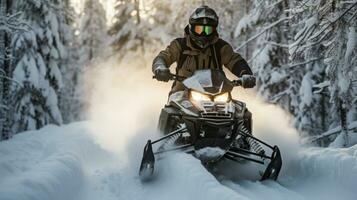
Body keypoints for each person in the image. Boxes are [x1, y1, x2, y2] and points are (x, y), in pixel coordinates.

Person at [152, 5, 256, 97]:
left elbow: (234, 60)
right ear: (191, 28)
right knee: (171, 112)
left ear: (214, 30)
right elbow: (163, 57)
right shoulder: (180, 45)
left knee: (241, 113)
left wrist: (245, 74)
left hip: (216, 96)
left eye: (207, 30)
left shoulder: (220, 47)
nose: (203, 34)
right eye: (199, 29)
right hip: (182, 94)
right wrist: (160, 68)